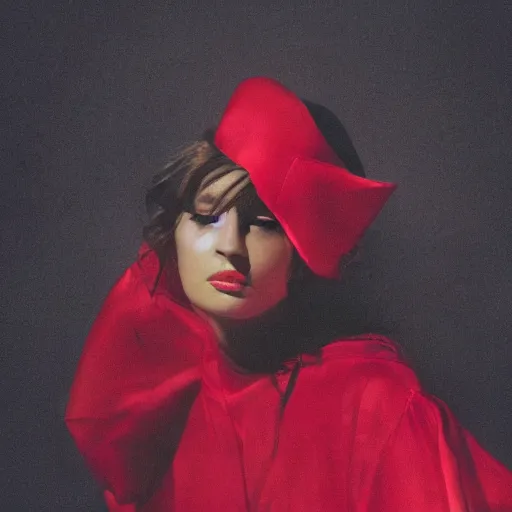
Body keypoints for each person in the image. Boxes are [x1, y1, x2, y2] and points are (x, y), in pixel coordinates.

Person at [65, 77, 512, 511]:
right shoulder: (152, 392)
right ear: (174, 231)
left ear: (301, 255)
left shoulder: (372, 402)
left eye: (263, 224)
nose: (230, 246)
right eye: (206, 217)